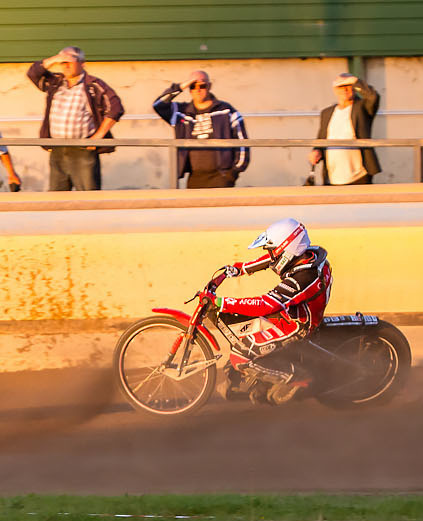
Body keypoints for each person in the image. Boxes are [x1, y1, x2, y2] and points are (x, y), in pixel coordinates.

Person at [203, 218, 332, 402]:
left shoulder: (304, 278)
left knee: (240, 355)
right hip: (289, 314)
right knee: (242, 336)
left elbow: (266, 304)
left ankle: (297, 379)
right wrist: (240, 269)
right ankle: (266, 377)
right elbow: (272, 260)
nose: (271, 256)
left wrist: (222, 303)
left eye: (273, 251)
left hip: (296, 326)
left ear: (286, 250)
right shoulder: (305, 256)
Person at [26, 45, 123, 192]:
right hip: (58, 150)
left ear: (82, 63)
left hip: (82, 150)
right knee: (57, 197)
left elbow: (115, 108)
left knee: (88, 197)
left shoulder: (93, 85)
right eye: (63, 62)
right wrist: (55, 59)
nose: (66, 65)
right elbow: (33, 73)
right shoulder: (55, 82)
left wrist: (98, 137)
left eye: (70, 61)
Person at [154, 69, 251, 189]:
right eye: (193, 86)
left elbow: (243, 143)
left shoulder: (226, 111)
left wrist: (233, 173)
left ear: (209, 86)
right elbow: (158, 105)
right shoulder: (181, 112)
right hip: (195, 177)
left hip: (222, 176)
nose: (198, 90)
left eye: (202, 85)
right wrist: (180, 86)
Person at [307, 72, 380, 187]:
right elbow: (321, 139)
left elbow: (373, 97)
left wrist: (355, 81)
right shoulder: (327, 113)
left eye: (348, 86)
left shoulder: (361, 108)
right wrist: (316, 151)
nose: (345, 90)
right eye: (341, 86)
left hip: (359, 175)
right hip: (332, 177)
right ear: (335, 90)